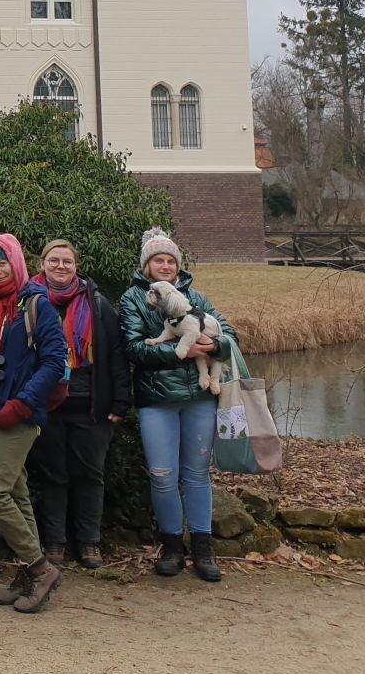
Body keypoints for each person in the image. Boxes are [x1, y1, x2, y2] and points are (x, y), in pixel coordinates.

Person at [120, 227, 237, 582]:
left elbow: (229, 336)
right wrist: (182, 352)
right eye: (158, 259)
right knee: (162, 475)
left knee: (198, 475)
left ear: (178, 265)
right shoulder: (133, 299)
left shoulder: (197, 299)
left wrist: (213, 348)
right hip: (157, 399)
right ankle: (171, 545)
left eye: (171, 260)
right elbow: (135, 348)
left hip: (200, 398)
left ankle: (203, 546)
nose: (165, 265)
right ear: (147, 265)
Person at [0, 233, 68, 614]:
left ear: (16, 262)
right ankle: (30, 571)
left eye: (0, 264)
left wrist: (23, 404)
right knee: (15, 492)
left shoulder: (36, 304)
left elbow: (53, 361)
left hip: (20, 413)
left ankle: (42, 570)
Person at [28, 239, 131, 570]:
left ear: (77, 265)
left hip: (90, 404)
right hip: (46, 405)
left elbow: (115, 355)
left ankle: (89, 543)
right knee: (52, 475)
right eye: (54, 260)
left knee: (90, 474)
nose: (60, 267)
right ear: (42, 263)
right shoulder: (28, 302)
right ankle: (55, 542)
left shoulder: (97, 304)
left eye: (67, 262)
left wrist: (120, 399)